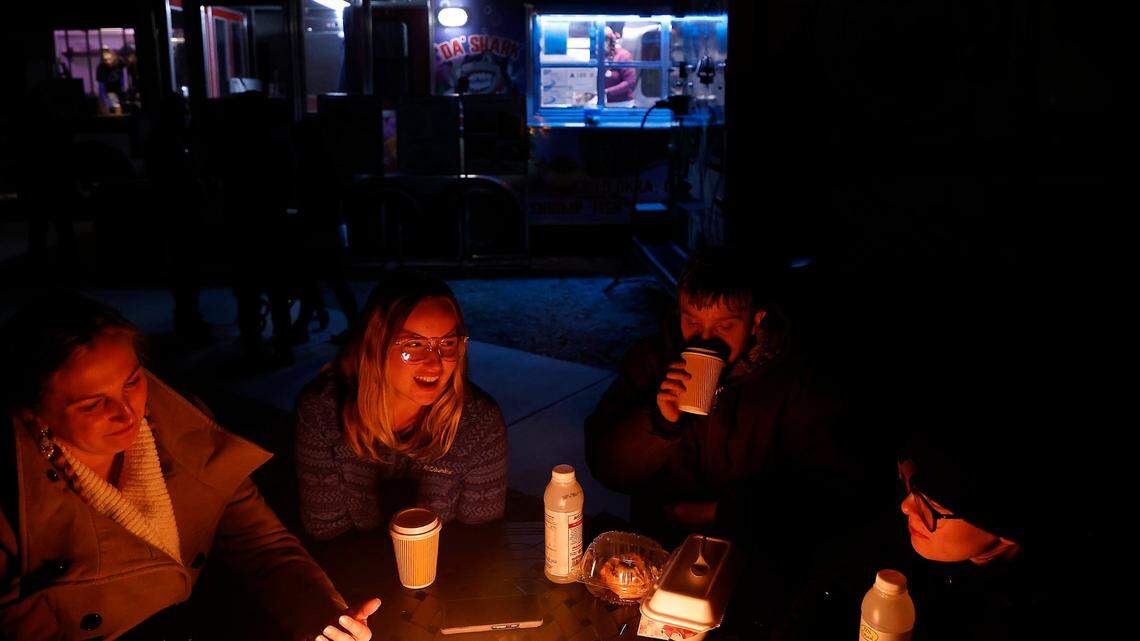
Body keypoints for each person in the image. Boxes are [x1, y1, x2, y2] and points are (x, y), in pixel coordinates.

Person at [0, 292, 380, 640]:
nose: (126, 412)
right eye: (92, 404)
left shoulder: (180, 427)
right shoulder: (15, 504)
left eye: (132, 381)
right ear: (35, 411)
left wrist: (329, 621)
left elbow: (265, 548)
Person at [585, 252, 860, 551]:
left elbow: (829, 492)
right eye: (691, 321)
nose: (704, 339)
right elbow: (605, 467)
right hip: (658, 545)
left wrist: (721, 512)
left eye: (723, 327)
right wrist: (659, 422)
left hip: (754, 549)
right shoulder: (652, 359)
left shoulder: (795, 379)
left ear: (756, 322)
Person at [295, 271, 507, 540]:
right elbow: (326, 535)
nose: (435, 363)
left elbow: (481, 542)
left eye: (448, 343)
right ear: (376, 345)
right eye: (414, 345)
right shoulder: (323, 414)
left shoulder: (479, 424)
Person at [603, 26, 637, 107]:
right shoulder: (600, 56)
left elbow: (630, 81)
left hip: (622, 104)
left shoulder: (623, 55)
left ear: (609, 41)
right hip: (602, 103)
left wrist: (607, 92)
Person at [95, 47, 124, 113]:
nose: (108, 62)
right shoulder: (101, 68)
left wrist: (123, 88)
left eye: (110, 59)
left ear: (114, 57)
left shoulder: (120, 63)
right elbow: (101, 87)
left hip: (119, 90)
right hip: (109, 91)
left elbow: (122, 77)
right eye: (105, 60)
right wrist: (107, 102)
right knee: (115, 106)